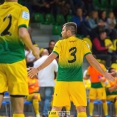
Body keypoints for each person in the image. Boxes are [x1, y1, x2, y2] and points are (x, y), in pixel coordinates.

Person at [29, 22, 114, 117]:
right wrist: (105, 73)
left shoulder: (60, 43)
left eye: (63, 30)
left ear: (69, 32)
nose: (61, 32)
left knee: (55, 109)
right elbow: (92, 61)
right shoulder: (82, 43)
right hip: (77, 82)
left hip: (62, 82)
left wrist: (37, 69)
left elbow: (50, 58)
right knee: (81, 109)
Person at [0, 0, 39, 117]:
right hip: (15, 60)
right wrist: (33, 49)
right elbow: (22, 33)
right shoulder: (22, 10)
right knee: (18, 111)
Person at [34, 49, 58, 117]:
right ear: (48, 53)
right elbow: (57, 70)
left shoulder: (37, 62)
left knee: (43, 99)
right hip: (50, 83)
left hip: (41, 83)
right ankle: (45, 113)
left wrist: (38, 77)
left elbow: (34, 73)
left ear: (41, 54)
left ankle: (43, 113)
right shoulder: (53, 60)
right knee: (48, 98)